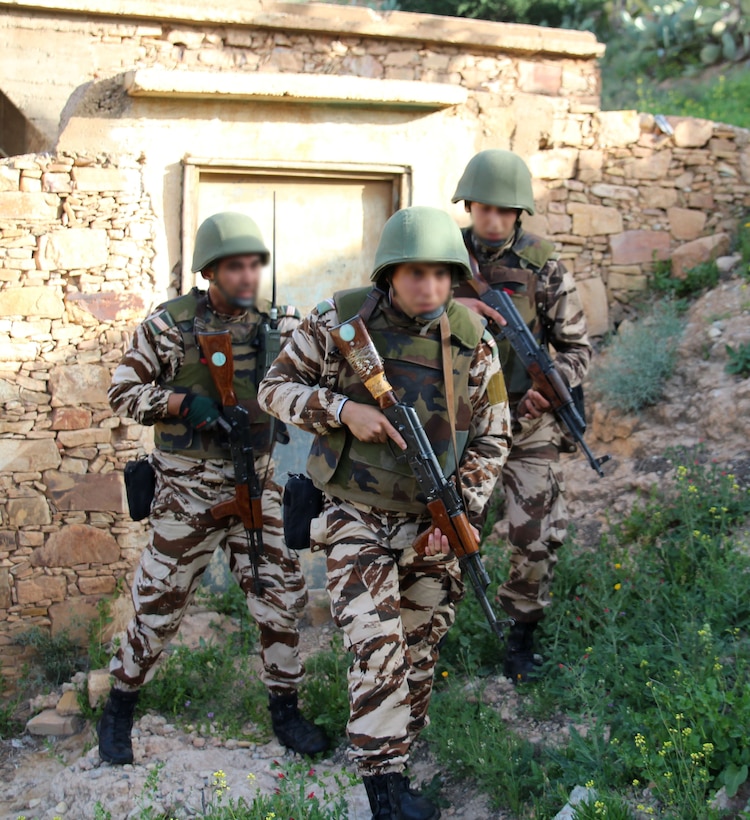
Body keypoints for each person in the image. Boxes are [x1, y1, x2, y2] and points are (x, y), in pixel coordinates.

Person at [258, 206, 511, 820]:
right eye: (414, 273)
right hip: (355, 513)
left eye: (441, 275)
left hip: (431, 522)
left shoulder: (473, 343)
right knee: (378, 651)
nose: (428, 286)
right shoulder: (340, 322)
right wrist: (342, 411)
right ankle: (383, 795)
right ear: (389, 273)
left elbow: (493, 437)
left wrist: (458, 515)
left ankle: (394, 761)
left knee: (419, 654)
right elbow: (274, 388)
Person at [98, 211, 328, 765]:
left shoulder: (278, 326)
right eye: (234, 266)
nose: (247, 276)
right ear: (209, 272)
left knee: (280, 601)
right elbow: (122, 390)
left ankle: (286, 713)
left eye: (254, 265)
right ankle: (118, 710)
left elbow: (319, 377)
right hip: (186, 494)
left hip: (259, 488)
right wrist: (181, 403)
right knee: (157, 606)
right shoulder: (169, 327)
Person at [451, 149, 592, 683]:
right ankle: (431, 630)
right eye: (484, 209)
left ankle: (521, 636)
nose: (493, 221)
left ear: (519, 214)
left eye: (505, 211)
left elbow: (578, 347)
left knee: (534, 537)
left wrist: (546, 388)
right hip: (462, 427)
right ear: (469, 205)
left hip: (529, 427)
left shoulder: (543, 265)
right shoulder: (442, 259)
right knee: (452, 529)